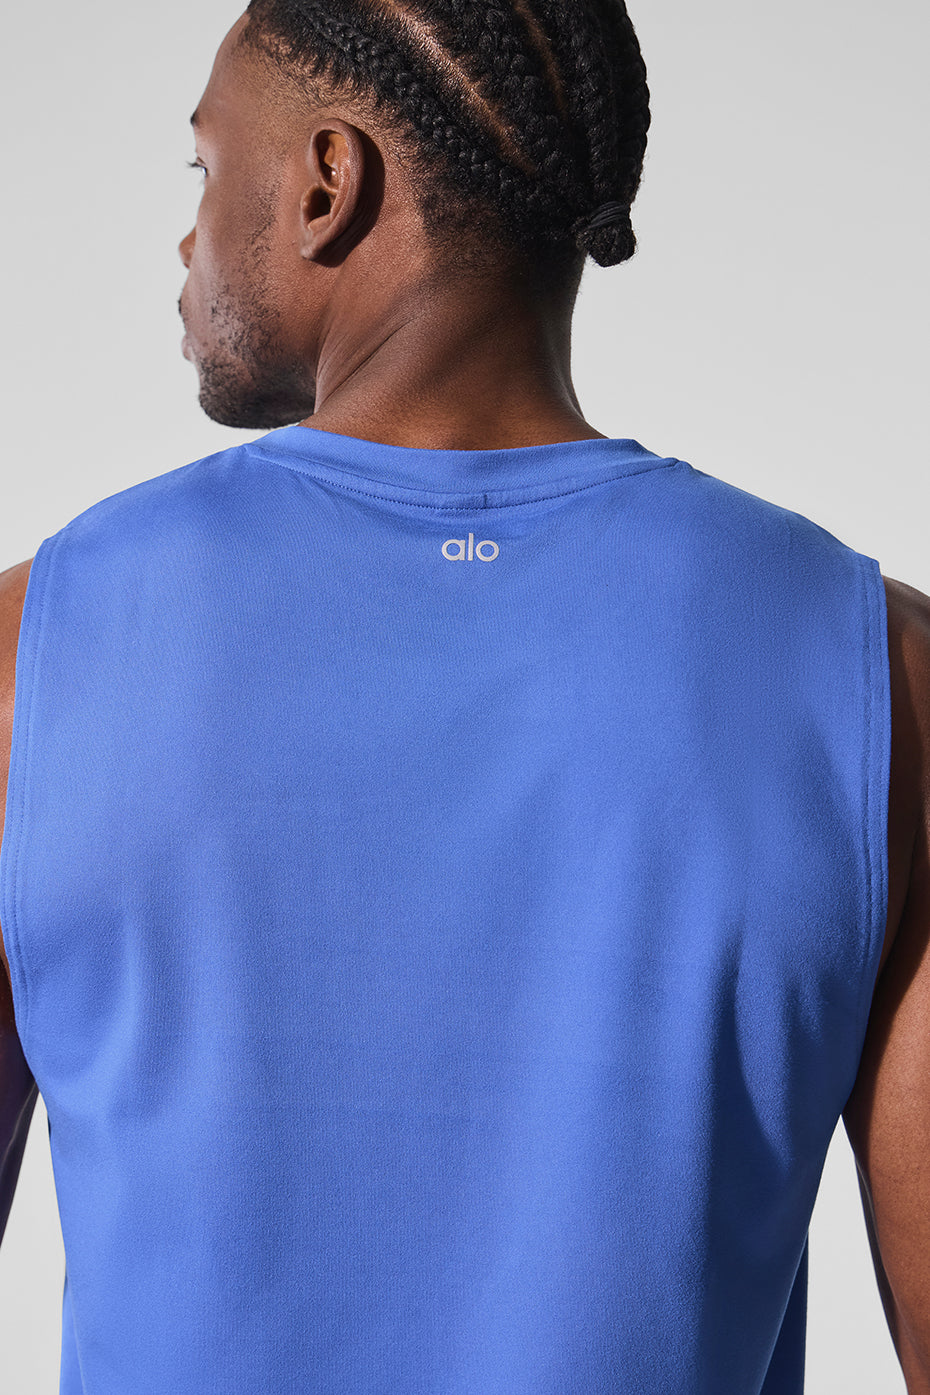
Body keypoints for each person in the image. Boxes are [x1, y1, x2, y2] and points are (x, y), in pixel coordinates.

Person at [0, 3, 927, 1390]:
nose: (188, 241)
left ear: (327, 182)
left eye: (203, 171)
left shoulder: (30, 656)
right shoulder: (883, 674)